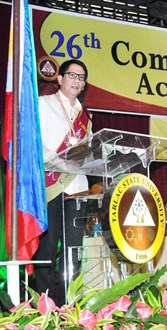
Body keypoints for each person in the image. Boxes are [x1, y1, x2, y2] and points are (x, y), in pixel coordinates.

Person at [33, 59, 92, 305]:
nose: (77, 81)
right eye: (72, 75)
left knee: (73, 252)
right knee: (47, 250)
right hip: (50, 183)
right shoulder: (42, 104)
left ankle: (72, 305)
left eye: (81, 77)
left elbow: (88, 153)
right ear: (59, 78)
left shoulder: (86, 118)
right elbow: (35, 142)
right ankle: (43, 306)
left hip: (77, 188)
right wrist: (60, 163)